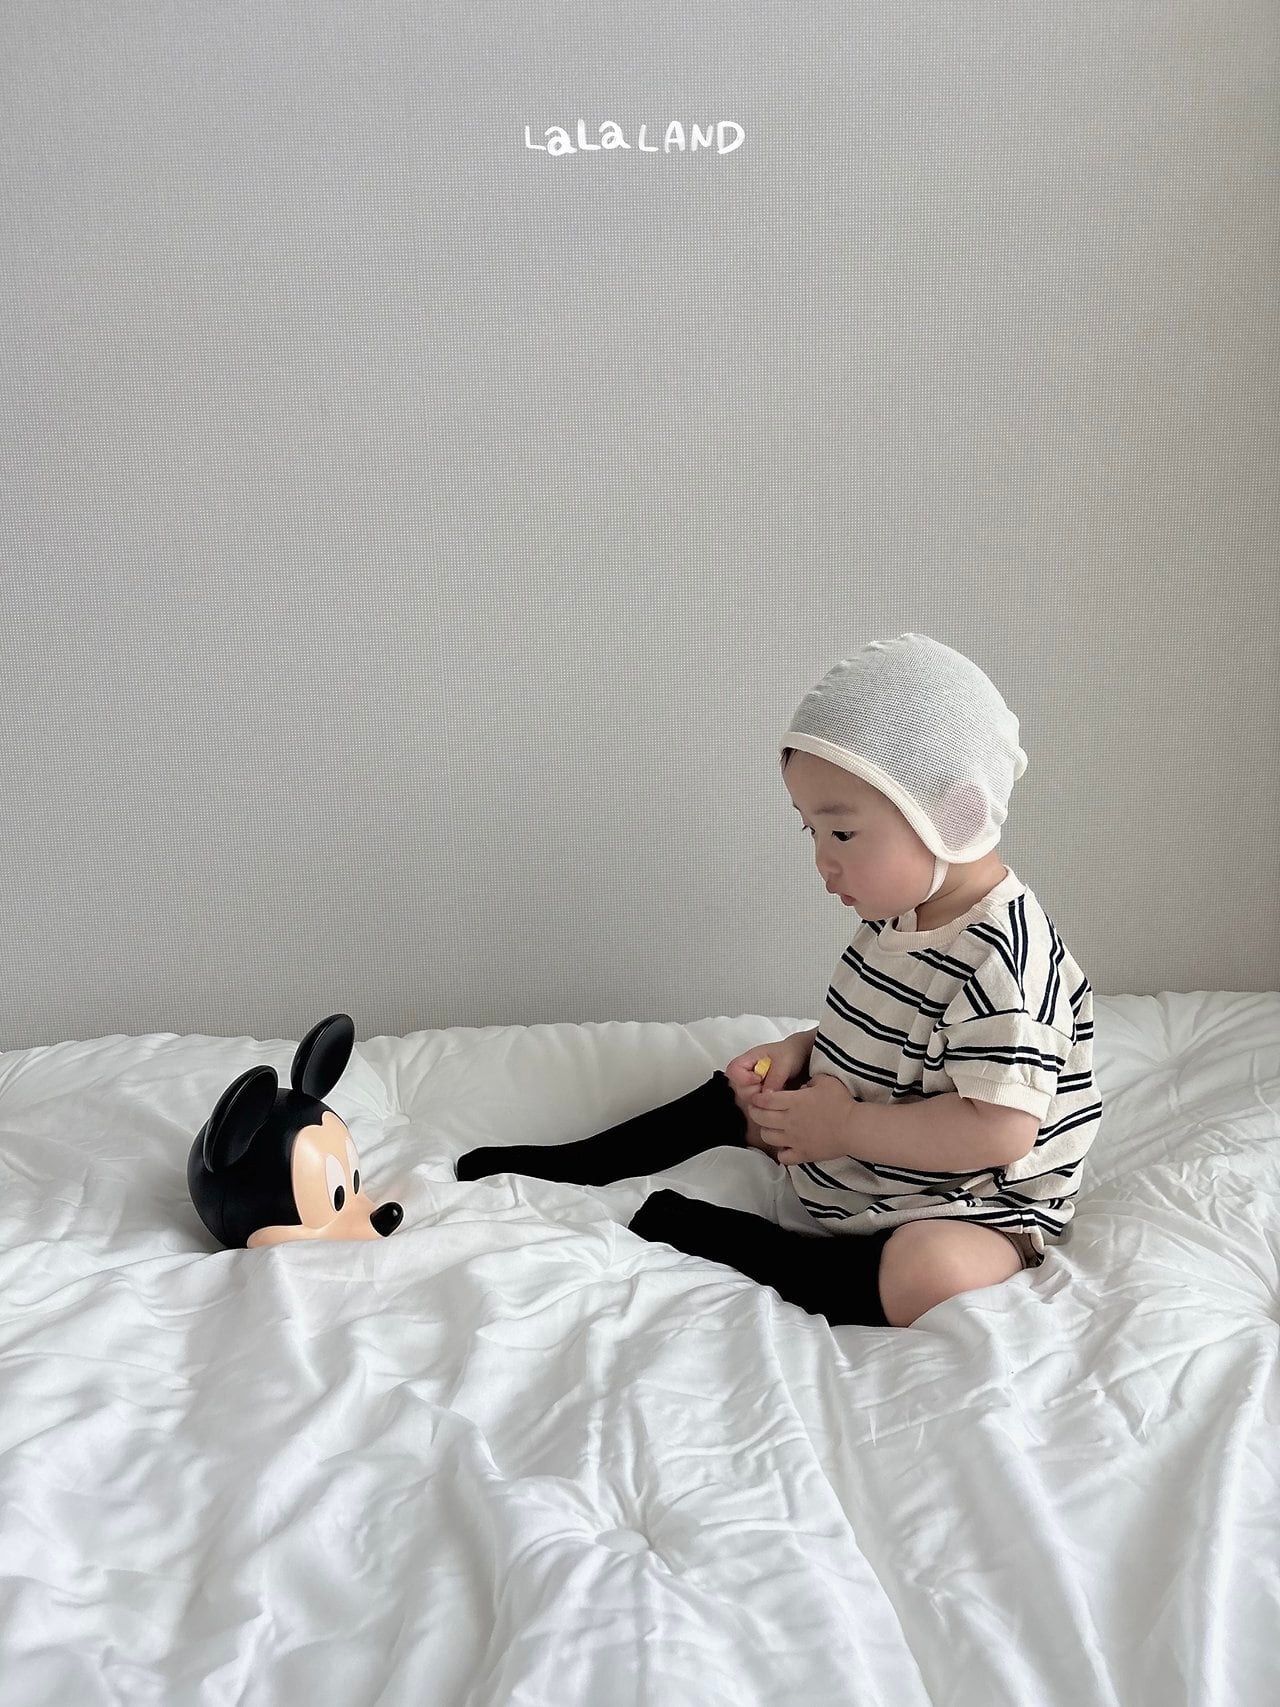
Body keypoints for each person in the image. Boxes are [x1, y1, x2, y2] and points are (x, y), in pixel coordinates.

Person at [457, 633, 1104, 1329]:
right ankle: (584, 1162)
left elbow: (998, 1132)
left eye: (842, 835)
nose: (823, 862)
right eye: (811, 833)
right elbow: (888, 1033)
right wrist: (801, 1051)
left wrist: (846, 1124)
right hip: (863, 1145)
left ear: (953, 816)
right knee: (752, 1090)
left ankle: (742, 1242)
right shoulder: (899, 915)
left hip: (970, 1198)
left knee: (932, 1273)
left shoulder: (1005, 959)